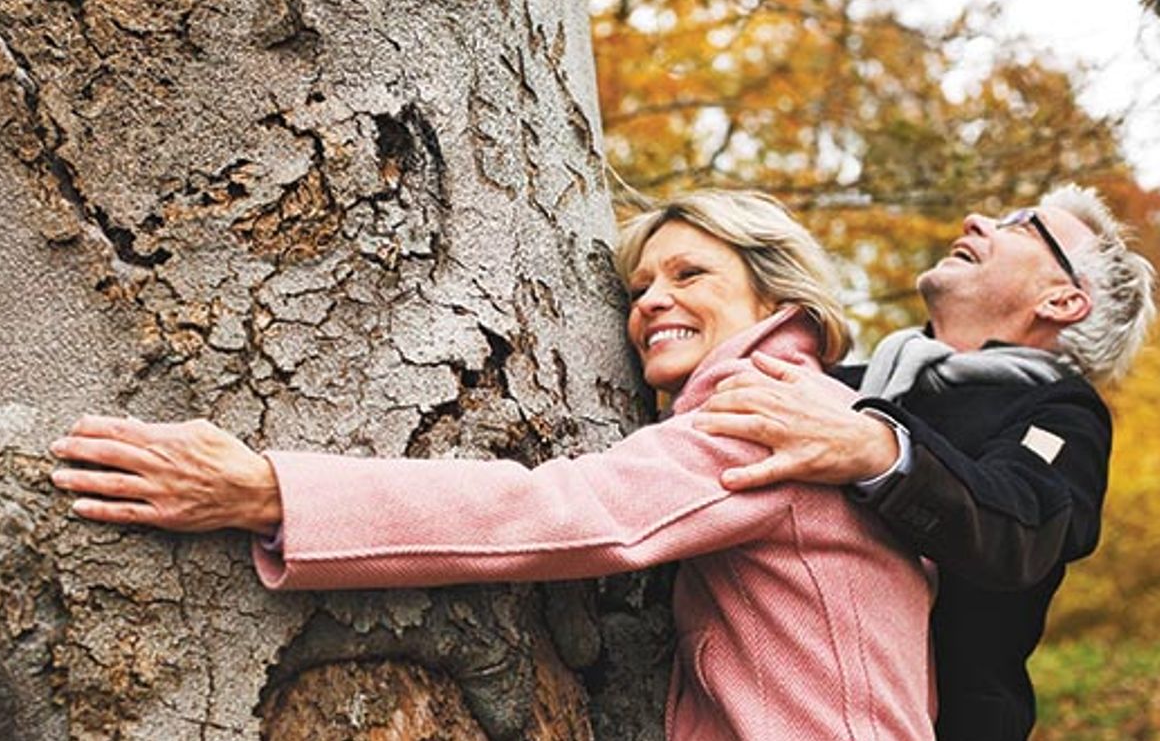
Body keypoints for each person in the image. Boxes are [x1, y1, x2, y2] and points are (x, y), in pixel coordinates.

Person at [49, 190, 937, 740]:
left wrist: (269, 490)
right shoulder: (813, 409)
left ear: (776, 297)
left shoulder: (770, 411)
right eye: (638, 289)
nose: (653, 301)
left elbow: (566, 513)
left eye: (690, 274)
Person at [691, 183, 1157, 741]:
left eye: (1021, 225)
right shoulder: (840, 387)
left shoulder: (1062, 416)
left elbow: (1021, 526)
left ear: (1061, 301)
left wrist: (883, 453)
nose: (977, 219)